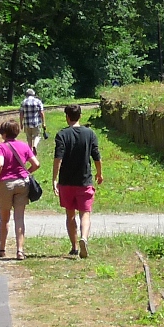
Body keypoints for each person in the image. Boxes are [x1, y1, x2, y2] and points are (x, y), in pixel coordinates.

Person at [53, 104, 102, 258]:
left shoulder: (62, 134)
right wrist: (99, 173)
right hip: (85, 180)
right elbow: (96, 156)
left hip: (66, 182)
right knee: (85, 214)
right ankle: (84, 238)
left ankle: (74, 247)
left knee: (70, 215)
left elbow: (58, 158)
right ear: (80, 116)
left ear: (67, 117)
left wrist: (54, 178)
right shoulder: (90, 133)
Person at [0, 119, 39, 260]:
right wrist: (27, 173)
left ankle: (2, 248)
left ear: (4, 134)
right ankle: (20, 251)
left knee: (4, 219)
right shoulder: (24, 146)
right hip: (22, 183)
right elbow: (36, 164)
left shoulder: (0, 147)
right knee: (19, 218)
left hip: (5, 184)